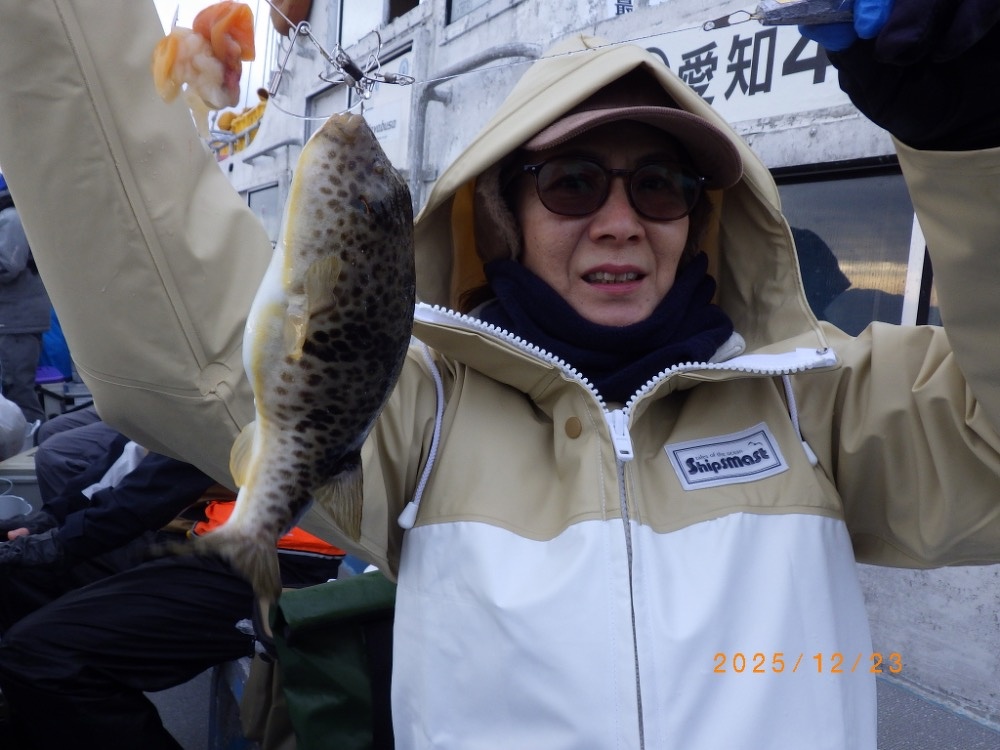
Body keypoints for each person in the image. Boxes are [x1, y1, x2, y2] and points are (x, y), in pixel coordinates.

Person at [0, 1, 999, 748]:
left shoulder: (821, 399)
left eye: (660, 185)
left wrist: (972, 147)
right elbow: (191, 350)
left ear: (699, 216)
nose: (620, 221)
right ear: (501, 216)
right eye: (573, 182)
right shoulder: (416, 412)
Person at [0, 409, 344, 748]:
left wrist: (56, 543)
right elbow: (133, 459)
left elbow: (154, 489)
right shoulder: (195, 397)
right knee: (18, 577)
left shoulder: (238, 394)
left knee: (41, 657)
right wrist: (46, 524)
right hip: (217, 542)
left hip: (278, 566)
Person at [0, 174, 49, 425]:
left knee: (18, 389)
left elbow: (9, 266)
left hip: (17, 321)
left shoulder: (11, 217)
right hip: (12, 319)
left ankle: (32, 441)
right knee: (13, 388)